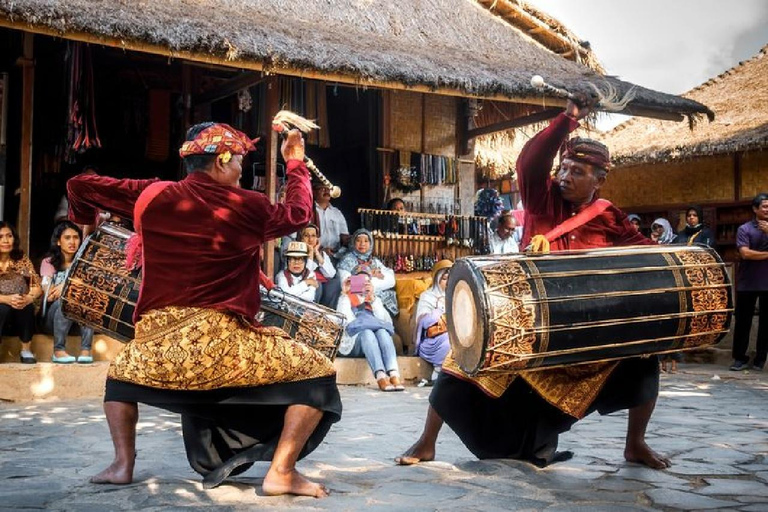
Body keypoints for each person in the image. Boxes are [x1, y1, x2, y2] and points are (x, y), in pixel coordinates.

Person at [66, 122, 341, 498]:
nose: (242, 170)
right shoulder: (248, 206)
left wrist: (88, 223)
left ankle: (121, 465)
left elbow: (79, 186)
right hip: (224, 348)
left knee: (119, 379)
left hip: (155, 350)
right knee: (319, 375)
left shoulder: (152, 196)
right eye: (240, 162)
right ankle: (281, 471)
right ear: (220, 161)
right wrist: (294, 163)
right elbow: (297, 213)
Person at [396, 96, 670, 470]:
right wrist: (567, 120)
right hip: (531, 316)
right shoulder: (541, 199)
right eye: (565, 168)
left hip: (584, 324)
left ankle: (635, 444)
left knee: (643, 357)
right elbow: (530, 161)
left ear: (599, 179)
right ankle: (427, 441)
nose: (566, 177)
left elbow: (648, 256)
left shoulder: (610, 218)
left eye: (577, 172)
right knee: (460, 359)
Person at [336, 269, 403, 391]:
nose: (363, 284)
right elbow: (345, 322)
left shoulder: (374, 299)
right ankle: (380, 376)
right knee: (367, 332)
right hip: (354, 342)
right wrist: (345, 294)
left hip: (374, 340)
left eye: (367, 282)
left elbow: (385, 322)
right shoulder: (346, 298)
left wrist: (372, 298)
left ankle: (394, 374)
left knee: (382, 332)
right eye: (359, 281)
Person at [40, 221, 94, 363]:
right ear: (58, 241)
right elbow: (49, 293)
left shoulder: (84, 264)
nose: (72, 242)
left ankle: (85, 350)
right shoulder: (48, 262)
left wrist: (65, 285)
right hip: (52, 320)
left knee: (86, 299)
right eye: (67, 238)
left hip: (79, 321)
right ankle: (58, 351)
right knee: (65, 299)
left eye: (76, 237)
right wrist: (74, 287)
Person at [729, 193, 768, 372]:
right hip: (748, 282)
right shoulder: (744, 229)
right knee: (743, 321)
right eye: (765, 206)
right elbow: (745, 254)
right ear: (755, 209)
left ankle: (761, 359)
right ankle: (739, 358)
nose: (767, 209)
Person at [0, 222, 43, 364]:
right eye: (0, 237)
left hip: (20, 307)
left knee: (25, 306)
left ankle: (25, 350)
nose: (6, 241)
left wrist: (29, 298)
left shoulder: (21, 259)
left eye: (9, 236)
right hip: (2, 307)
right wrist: (6, 299)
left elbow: (37, 286)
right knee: (2, 308)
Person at [337, 229, 398, 318]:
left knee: (382, 327)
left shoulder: (373, 261)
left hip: (375, 303)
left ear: (371, 244)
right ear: (353, 243)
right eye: (358, 241)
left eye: (366, 241)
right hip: (355, 306)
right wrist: (371, 275)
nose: (362, 244)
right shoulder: (346, 261)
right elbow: (350, 284)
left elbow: (391, 280)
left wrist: (364, 279)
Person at [413, 259, 453, 385]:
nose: (448, 283)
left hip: (455, 334)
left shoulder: (457, 294)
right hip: (432, 340)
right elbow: (423, 321)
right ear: (437, 279)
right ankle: (438, 371)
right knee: (449, 340)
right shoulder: (428, 296)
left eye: (451, 279)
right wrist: (438, 315)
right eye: (445, 279)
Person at [299, 223, 339, 307]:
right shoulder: (297, 253)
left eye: (313, 236)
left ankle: (328, 314)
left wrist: (317, 253)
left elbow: (331, 274)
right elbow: (306, 275)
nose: (310, 239)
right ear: (301, 238)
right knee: (317, 284)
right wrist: (310, 254)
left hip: (324, 287)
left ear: (317, 239)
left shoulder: (322, 253)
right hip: (306, 286)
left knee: (336, 283)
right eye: (306, 235)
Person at [313, 179, 349, 260]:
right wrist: (320, 250)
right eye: (322, 189)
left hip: (335, 255)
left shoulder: (337, 212)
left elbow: (345, 237)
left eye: (328, 189)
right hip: (314, 255)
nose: (327, 191)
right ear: (314, 192)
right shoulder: (309, 211)